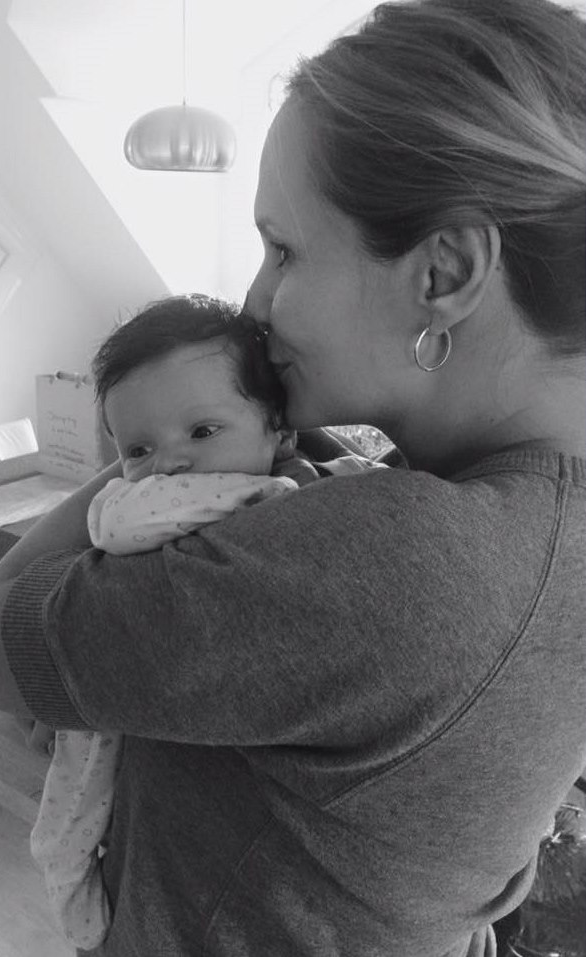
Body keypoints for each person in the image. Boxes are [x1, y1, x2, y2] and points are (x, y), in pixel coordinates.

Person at [0, 0, 586, 954]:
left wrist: (152, 460)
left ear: (444, 270)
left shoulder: (397, 559)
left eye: (281, 247)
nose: (253, 300)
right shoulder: (536, 521)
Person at [32, 293, 378, 950]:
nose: (168, 464)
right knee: (70, 817)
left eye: (202, 432)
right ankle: (77, 912)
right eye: (138, 447)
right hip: (106, 700)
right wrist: (262, 490)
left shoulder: (305, 487)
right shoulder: (129, 506)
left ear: (280, 431)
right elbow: (118, 524)